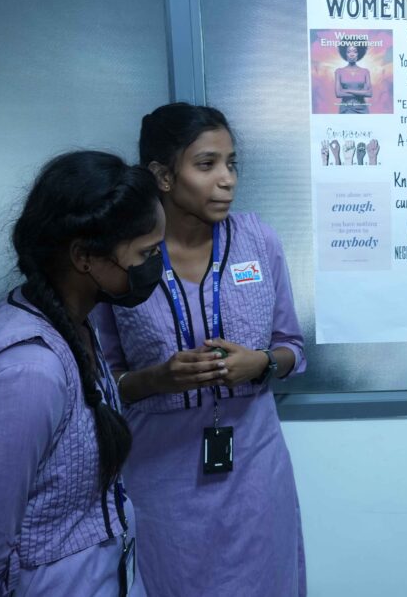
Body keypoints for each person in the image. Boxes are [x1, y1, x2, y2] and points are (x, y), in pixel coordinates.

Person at [0, 151, 164, 595]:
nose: (156, 267)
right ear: (85, 256)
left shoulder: (74, 324)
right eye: (146, 253)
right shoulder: (29, 373)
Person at [93, 103, 307, 595]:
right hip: (162, 478)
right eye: (207, 164)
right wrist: (158, 379)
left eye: (231, 163)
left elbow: (293, 348)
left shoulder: (258, 241)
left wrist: (262, 363)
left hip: (255, 467)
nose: (227, 179)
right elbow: (100, 381)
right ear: (163, 176)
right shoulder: (124, 255)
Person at [334, 43, 372, 113]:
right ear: (345, 54)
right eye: (349, 52)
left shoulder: (365, 71)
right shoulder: (339, 71)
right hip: (345, 109)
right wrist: (361, 93)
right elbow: (338, 94)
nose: (352, 54)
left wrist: (346, 91)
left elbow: (369, 93)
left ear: (358, 54)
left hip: (362, 109)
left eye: (355, 51)